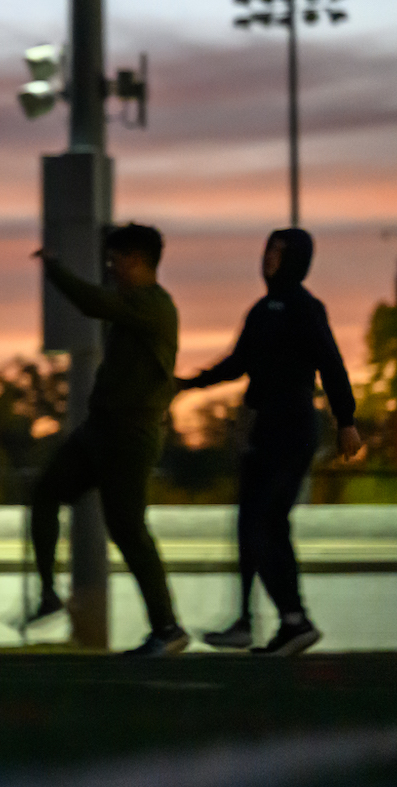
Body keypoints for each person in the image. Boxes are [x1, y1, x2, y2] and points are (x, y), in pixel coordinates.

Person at [176, 228, 362, 657]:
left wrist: (346, 420)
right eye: (267, 250)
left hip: (293, 428)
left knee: (266, 521)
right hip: (262, 429)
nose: (268, 258)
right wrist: (189, 383)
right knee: (249, 524)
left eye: (278, 252)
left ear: (296, 259)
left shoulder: (303, 307)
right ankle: (246, 620)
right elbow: (238, 362)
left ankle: (295, 621)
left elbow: (330, 364)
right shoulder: (262, 310)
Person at [28, 224, 187, 656]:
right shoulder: (135, 306)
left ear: (136, 259)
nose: (110, 269)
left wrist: (53, 268)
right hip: (100, 430)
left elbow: (90, 302)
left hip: (129, 435)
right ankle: (47, 594)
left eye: (115, 260)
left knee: (129, 530)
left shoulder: (152, 304)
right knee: (45, 494)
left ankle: (167, 628)